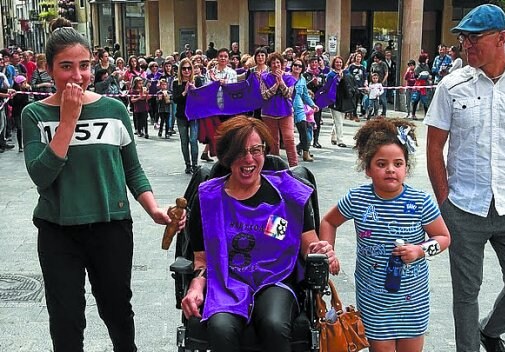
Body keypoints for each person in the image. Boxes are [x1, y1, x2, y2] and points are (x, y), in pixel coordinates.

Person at [21, 17, 185, 352]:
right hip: (57, 229)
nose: (77, 75)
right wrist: (67, 121)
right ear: (49, 70)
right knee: (66, 318)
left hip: (111, 226)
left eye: (84, 66)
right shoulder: (34, 115)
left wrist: (153, 208)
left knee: (118, 312)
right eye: (66, 66)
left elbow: (132, 169)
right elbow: (41, 176)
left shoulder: (113, 109)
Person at [424, 5, 505, 352]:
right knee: (465, 295)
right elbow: (434, 145)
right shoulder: (452, 86)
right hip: (465, 207)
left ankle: (491, 330)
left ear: (501, 38)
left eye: (474, 38)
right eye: (463, 38)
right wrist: (444, 201)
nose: (466, 45)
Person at [180, 115, 336, 352]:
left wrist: (322, 250)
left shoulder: (288, 194)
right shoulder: (209, 198)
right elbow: (201, 258)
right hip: (226, 280)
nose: (249, 159)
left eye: (256, 150)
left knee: (274, 323)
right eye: (240, 152)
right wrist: (195, 286)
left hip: (276, 277)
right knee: (221, 328)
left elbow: (309, 243)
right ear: (226, 156)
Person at [319, 118, 450, 352]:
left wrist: (420, 250)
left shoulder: (421, 202)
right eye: (381, 164)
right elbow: (329, 221)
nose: (390, 169)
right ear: (368, 168)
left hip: (413, 298)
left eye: (398, 163)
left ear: (406, 168)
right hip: (373, 298)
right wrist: (328, 253)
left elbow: (443, 238)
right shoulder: (358, 198)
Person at [259, 52, 298, 166]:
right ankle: (276, 166)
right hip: (268, 113)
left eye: (278, 62)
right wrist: (275, 86)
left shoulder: (289, 77)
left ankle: (294, 166)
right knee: (273, 141)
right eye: (273, 62)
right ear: (270, 65)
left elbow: (288, 94)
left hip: (285, 112)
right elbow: (264, 95)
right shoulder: (264, 77)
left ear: (282, 64)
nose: (276, 65)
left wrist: (281, 82)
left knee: (289, 139)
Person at [172, 57, 200, 174]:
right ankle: (187, 164)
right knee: (184, 141)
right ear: (180, 70)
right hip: (181, 115)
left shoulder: (197, 80)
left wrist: (194, 90)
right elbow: (175, 99)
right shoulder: (176, 82)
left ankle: (195, 164)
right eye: (184, 68)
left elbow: (201, 98)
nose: (187, 71)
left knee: (193, 140)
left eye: (189, 68)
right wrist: (185, 92)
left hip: (193, 115)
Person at [290, 58, 318, 162]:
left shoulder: (302, 80)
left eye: (299, 66)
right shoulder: (286, 77)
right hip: (287, 106)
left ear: (302, 68)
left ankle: (306, 153)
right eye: (295, 65)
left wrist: (313, 104)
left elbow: (305, 95)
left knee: (304, 130)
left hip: (299, 107)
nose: (297, 67)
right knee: (288, 134)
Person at [328, 55, 356, 147]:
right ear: (334, 63)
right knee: (338, 121)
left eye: (340, 62)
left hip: (344, 100)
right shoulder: (331, 74)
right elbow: (329, 87)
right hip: (334, 100)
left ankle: (333, 136)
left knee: (338, 120)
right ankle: (340, 140)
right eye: (337, 62)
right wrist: (338, 80)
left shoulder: (346, 73)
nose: (338, 64)